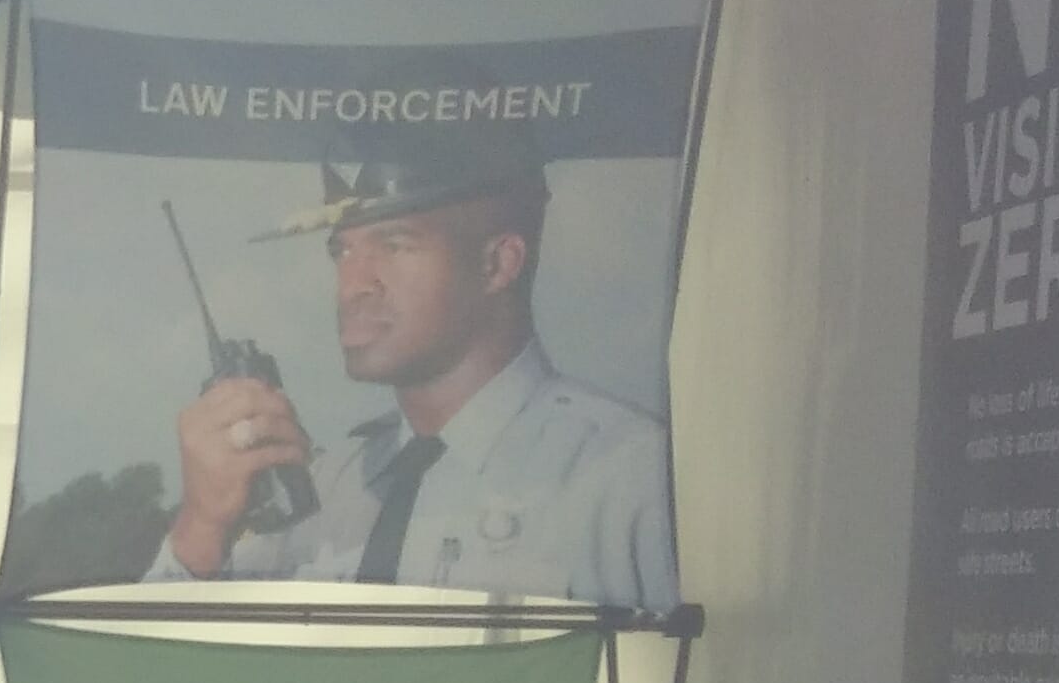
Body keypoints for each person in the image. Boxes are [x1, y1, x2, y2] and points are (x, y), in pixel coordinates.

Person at [151, 110, 673, 607]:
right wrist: (201, 530)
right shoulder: (324, 491)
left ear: (497, 264)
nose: (353, 284)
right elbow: (168, 656)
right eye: (342, 251)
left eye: (395, 244)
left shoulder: (632, 483)